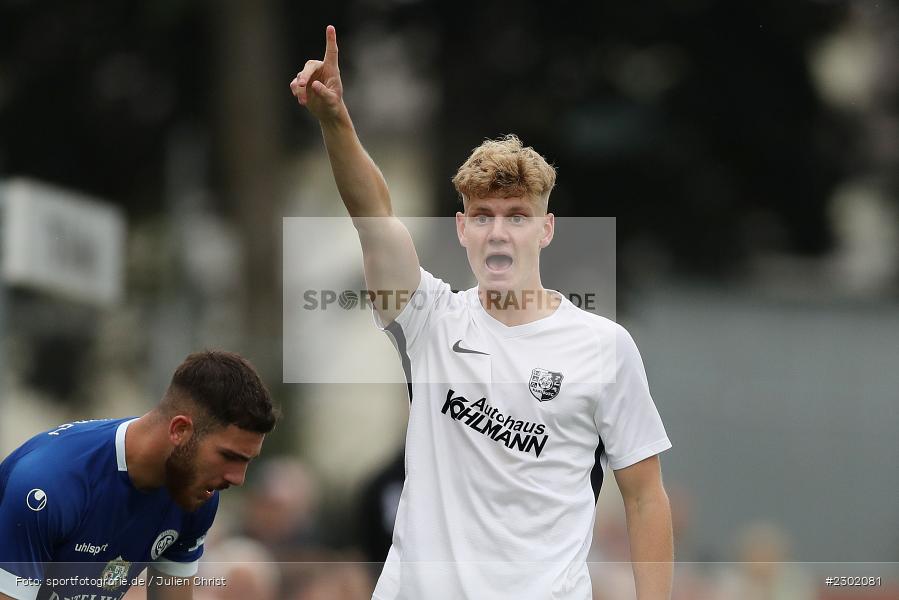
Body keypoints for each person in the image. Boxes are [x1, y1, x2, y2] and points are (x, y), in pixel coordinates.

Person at [291, 26, 674, 600]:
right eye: (484, 215)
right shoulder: (429, 319)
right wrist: (336, 120)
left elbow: (645, 496)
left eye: (517, 216)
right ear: (462, 229)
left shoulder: (604, 346)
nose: (500, 232)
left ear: (545, 230)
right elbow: (374, 215)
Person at [0, 350, 278, 600]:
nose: (237, 478)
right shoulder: (48, 485)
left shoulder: (195, 493)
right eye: (229, 456)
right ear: (180, 430)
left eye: (247, 462)